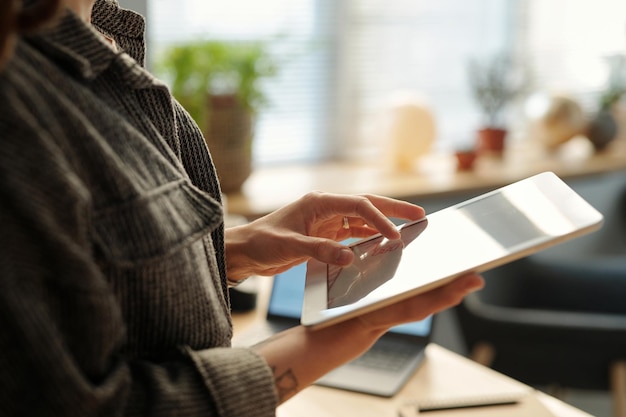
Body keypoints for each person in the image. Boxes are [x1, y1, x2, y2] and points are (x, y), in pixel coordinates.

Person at [0, 0, 484, 416]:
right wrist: (347, 331)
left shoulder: (100, 39)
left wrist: (231, 251)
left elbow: (88, 270)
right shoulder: (17, 99)